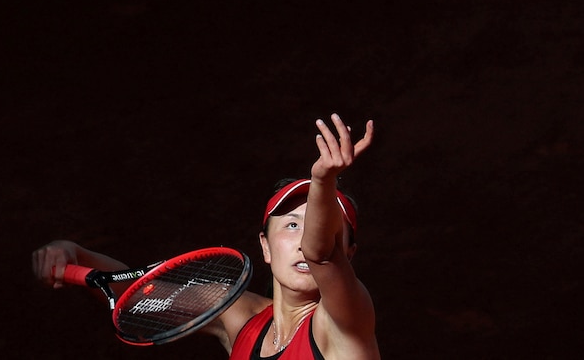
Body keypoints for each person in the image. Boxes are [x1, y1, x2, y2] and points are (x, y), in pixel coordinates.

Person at [32, 113, 380, 359]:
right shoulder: (241, 317)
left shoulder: (345, 321)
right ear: (265, 247)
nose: (304, 240)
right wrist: (75, 254)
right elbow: (139, 302)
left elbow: (320, 254)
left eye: (327, 227)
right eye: (291, 225)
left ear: (347, 253)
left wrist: (323, 182)